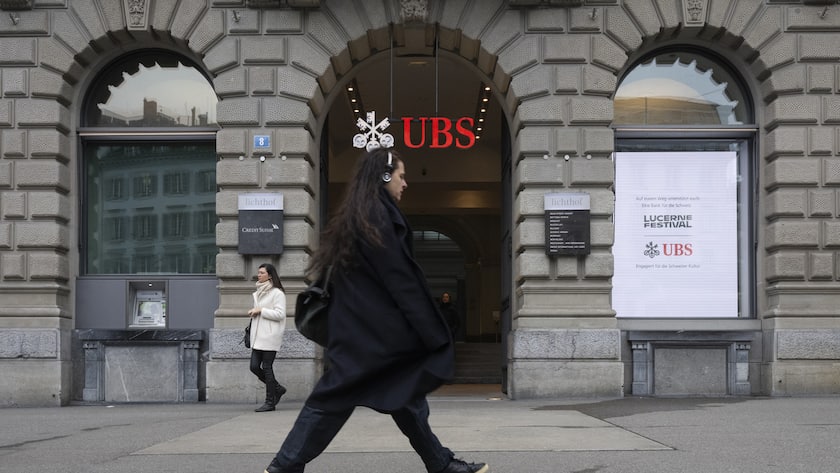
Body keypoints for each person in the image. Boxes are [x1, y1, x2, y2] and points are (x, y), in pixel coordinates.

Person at [263, 147, 489, 473]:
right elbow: (400, 278)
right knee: (332, 401)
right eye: (401, 175)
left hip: (365, 333)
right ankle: (283, 466)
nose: (405, 183)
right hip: (366, 338)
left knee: (405, 399)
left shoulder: (362, 214)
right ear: (384, 176)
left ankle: (442, 464)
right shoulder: (377, 216)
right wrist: (431, 331)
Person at [248, 263, 287, 412]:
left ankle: (270, 402)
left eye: (262, 273)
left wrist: (260, 310)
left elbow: (280, 314)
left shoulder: (277, 293)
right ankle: (277, 388)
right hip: (258, 336)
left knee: (267, 367)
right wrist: (255, 311)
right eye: (258, 272)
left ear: (270, 275)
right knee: (253, 367)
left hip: (270, 336)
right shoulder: (258, 292)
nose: (259, 275)